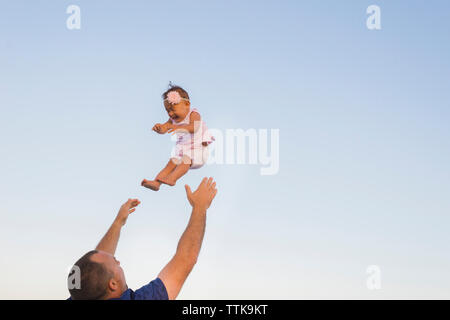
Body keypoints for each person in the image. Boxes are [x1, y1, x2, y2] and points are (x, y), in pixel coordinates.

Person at [67, 177, 218, 300]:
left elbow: (97, 265)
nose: (118, 261)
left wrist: (118, 223)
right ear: (112, 284)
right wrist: (200, 207)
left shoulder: (82, 294)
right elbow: (185, 259)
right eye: (115, 263)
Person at [141, 84, 214, 191]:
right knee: (172, 162)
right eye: (167, 110)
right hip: (183, 150)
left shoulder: (194, 114)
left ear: (187, 104)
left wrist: (178, 127)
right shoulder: (173, 120)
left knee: (185, 159)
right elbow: (165, 128)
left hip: (198, 151)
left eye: (173, 108)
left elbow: (194, 127)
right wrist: (160, 128)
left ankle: (172, 178)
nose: (170, 113)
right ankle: (156, 183)